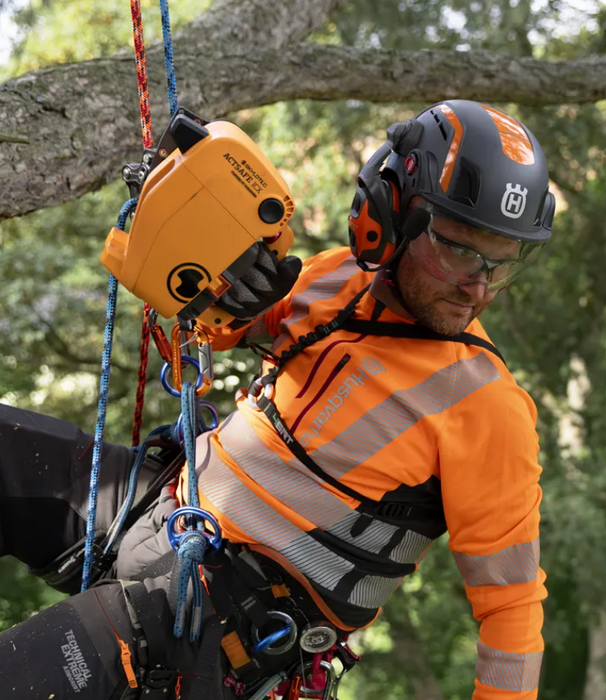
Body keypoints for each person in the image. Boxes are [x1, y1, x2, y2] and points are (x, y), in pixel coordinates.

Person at [0, 99, 554, 700]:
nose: (478, 286)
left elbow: (512, 609)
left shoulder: (487, 406)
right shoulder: (336, 277)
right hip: (162, 506)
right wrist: (231, 288)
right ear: (390, 212)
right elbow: (222, 329)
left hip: (212, 627)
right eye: (459, 249)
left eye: (501, 264)